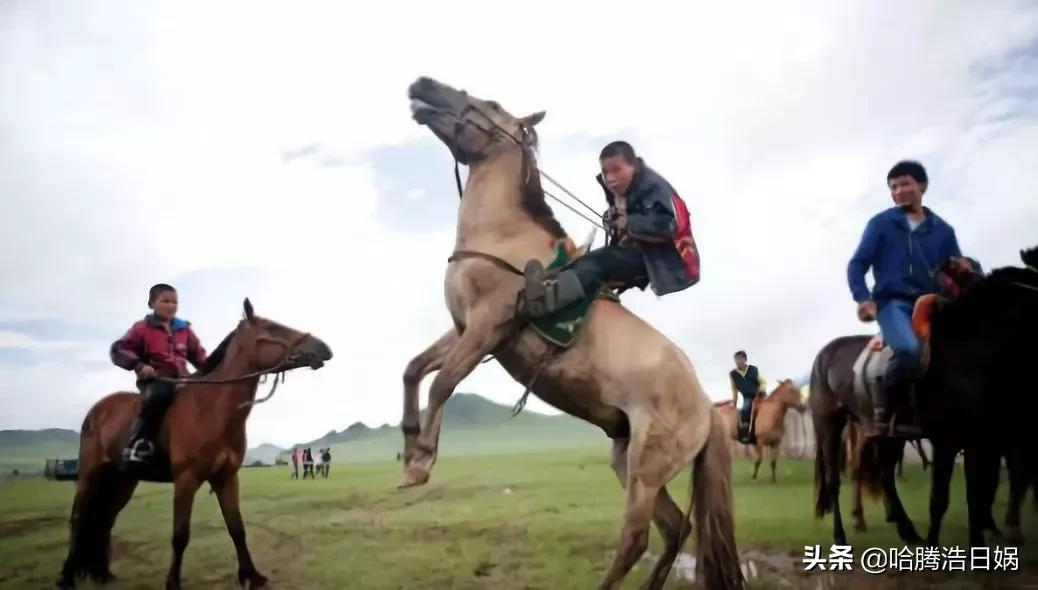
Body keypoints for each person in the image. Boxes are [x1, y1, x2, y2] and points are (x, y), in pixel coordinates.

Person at [519, 141, 701, 318]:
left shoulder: (654, 187)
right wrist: (613, 218)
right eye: (605, 172)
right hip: (639, 251)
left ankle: (544, 303)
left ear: (633, 166)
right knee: (588, 259)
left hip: (658, 259)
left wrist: (628, 223)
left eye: (617, 170)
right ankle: (547, 285)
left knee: (599, 263)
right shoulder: (625, 187)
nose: (610, 178)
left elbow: (669, 225)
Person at [847, 160, 962, 438]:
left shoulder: (943, 231)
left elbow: (955, 269)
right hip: (892, 303)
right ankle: (886, 407)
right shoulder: (880, 224)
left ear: (922, 186)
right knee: (909, 350)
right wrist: (863, 298)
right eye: (894, 187)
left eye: (905, 184)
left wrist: (965, 272)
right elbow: (857, 264)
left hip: (934, 303)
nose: (899, 191)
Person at [110, 283, 207, 465]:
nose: (171, 306)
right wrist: (139, 366)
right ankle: (139, 443)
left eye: (174, 302)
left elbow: (200, 357)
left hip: (183, 381)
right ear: (152, 303)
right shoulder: (141, 328)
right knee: (160, 396)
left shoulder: (184, 329)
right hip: (155, 381)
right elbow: (119, 350)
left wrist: (213, 373)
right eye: (165, 301)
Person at [729, 351, 767, 444]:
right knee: (745, 410)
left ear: (745, 360)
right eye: (736, 360)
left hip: (759, 394)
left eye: (740, 359)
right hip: (748, 397)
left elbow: (763, 382)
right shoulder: (733, 374)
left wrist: (762, 389)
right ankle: (746, 434)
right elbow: (734, 390)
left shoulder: (753, 369)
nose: (738, 361)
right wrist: (734, 402)